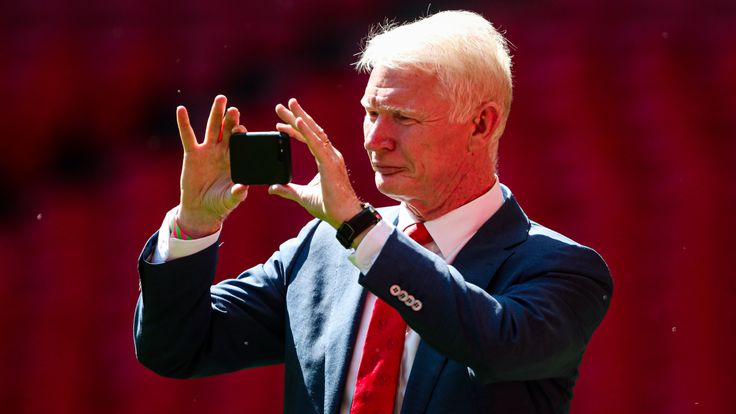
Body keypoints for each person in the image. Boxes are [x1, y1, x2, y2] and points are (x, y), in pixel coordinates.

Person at [134, 10, 612, 414]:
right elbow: (176, 348)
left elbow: (496, 347)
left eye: (402, 118)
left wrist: (362, 230)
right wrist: (194, 223)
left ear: (481, 124)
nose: (374, 138)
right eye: (370, 112)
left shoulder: (562, 268)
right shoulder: (322, 247)